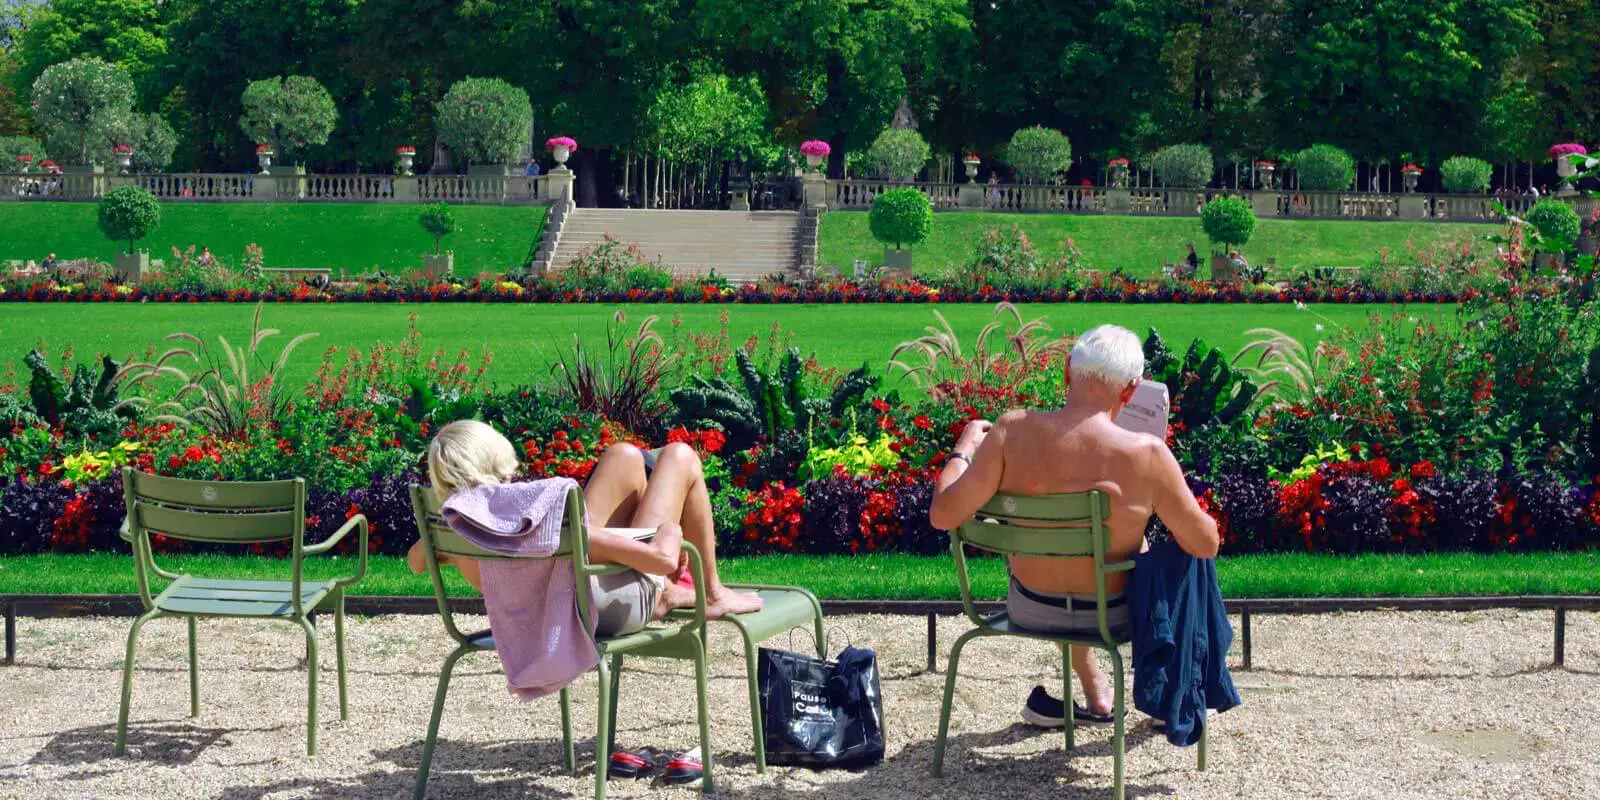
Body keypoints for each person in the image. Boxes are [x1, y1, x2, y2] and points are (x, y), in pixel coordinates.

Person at [929, 325, 1219, 727]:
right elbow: (1206, 543)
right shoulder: (1147, 454)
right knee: (1176, 557)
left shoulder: (1010, 431)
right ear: (1131, 391)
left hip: (1030, 607)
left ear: (1067, 371)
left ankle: (1097, 691)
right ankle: (1174, 692)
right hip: (1111, 617)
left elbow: (943, 514)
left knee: (1073, 550)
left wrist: (963, 450)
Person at [408, 420, 763, 632]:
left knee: (623, 456)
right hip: (595, 608)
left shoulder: (461, 526)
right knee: (680, 457)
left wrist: (438, 538)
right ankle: (711, 593)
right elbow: (659, 559)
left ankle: (671, 593)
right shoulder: (520, 519)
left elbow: (415, 562)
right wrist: (671, 535)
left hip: (563, 597)